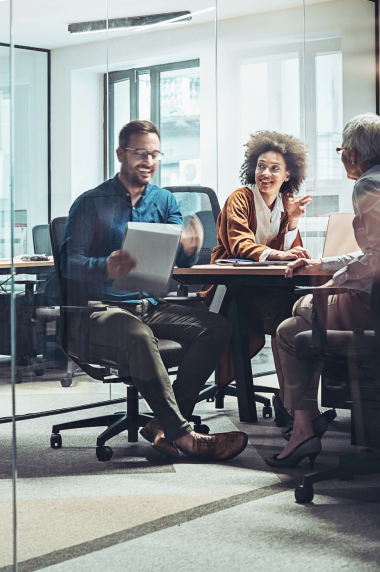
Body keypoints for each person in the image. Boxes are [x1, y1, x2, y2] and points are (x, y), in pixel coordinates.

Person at [63, 120, 247, 461]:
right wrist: (105, 265)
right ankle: (185, 436)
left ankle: (162, 427)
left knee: (216, 327)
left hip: (147, 303)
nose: (148, 161)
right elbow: (68, 264)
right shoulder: (90, 203)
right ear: (121, 154)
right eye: (139, 153)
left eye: (154, 154)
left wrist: (189, 248)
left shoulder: (164, 201)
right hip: (99, 308)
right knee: (138, 335)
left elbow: (177, 262)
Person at [267, 114, 380, 467]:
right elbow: (379, 251)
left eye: (342, 150)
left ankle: (303, 428)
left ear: (354, 154)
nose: (341, 156)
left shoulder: (367, 187)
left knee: (298, 312)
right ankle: (303, 427)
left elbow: (375, 260)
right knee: (292, 331)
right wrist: (323, 265)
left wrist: (332, 282)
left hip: (374, 305)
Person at [202, 131, 312, 418]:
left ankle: (294, 401)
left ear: (288, 175)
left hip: (264, 288)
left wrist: (293, 222)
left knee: (298, 309)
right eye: (261, 166)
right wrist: (279, 254)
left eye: (275, 168)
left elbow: (293, 253)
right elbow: (240, 244)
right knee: (283, 312)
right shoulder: (240, 198)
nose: (265, 173)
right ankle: (291, 404)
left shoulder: (286, 204)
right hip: (230, 288)